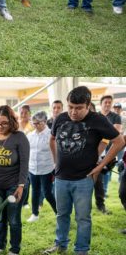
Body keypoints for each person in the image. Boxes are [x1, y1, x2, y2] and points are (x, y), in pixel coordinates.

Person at [44, 86, 125, 255]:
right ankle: (61, 244)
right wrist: (55, 162)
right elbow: (52, 139)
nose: (73, 112)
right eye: (71, 107)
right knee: (62, 214)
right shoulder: (60, 118)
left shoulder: (98, 120)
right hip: (61, 177)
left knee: (83, 218)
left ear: (88, 105)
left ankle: (81, 250)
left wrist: (100, 166)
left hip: (84, 178)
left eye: (79, 108)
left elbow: (119, 141)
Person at [0, 105, 30, 255]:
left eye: (4, 123)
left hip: (14, 186)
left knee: (13, 219)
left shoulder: (19, 137)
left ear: (11, 122)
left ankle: (14, 250)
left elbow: (24, 164)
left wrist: (21, 186)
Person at [27, 110, 57, 223]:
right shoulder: (30, 135)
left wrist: (55, 167)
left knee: (48, 193)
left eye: (38, 123)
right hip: (33, 168)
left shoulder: (51, 135)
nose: (35, 126)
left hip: (47, 169)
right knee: (34, 191)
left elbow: (56, 152)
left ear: (44, 122)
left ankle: (57, 212)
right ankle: (35, 214)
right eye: (33, 123)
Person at [94, 95, 121, 214]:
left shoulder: (115, 116)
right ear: (101, 104)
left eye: (110, 102)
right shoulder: (96, 116)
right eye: (105, 102)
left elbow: (115, 133)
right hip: (91, 153)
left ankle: (101, 203)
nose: (107, 104)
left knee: (102, 178)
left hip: (108, 151)